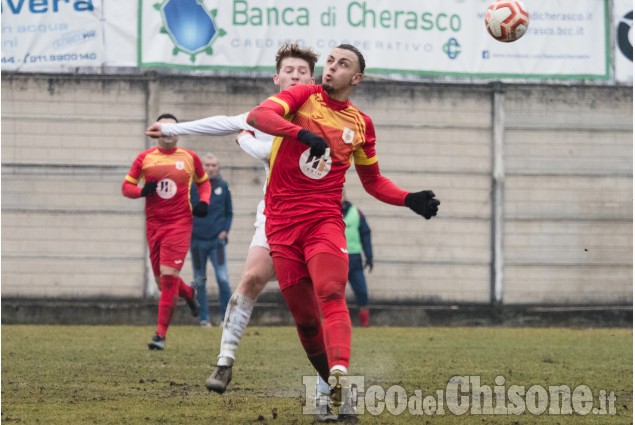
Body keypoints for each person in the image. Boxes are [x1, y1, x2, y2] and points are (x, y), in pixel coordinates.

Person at [245, 44, 440, 408]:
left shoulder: (361, 124)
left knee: (332, 292)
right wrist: (301, 134)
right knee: (305, 322)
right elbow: (258, 117)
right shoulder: (302, 95)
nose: (331, 68)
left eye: (342, 64)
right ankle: (333, 390)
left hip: (323, 221)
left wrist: (409, 198)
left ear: (357, 78)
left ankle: (339, 369)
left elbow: (373, 181)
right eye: (330, 61)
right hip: (281, 226)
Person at [145, 44, 335, 411]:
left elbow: (269, 152)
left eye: (301, 72)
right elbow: (224, 121)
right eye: (289, 70)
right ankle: (224, 362)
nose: (295, 76)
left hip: (314, 220)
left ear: (310, 79)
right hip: (274, 217)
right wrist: (174, 128)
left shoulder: (321, 115)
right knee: (249, 280)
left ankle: (328, 386)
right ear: (276, 77)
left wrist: (245, 141)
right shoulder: (266, 112)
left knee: (318, 305)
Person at [123, 113, 211, 350]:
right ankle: (189, 293)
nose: (170, 133)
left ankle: (160, 335)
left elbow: (204, 182)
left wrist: (204, 201)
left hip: (180, 224)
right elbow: (126, 187)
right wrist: (142, 191)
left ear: (179, 132)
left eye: (174, 129)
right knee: (163, 283)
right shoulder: (145, 159)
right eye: (165, 129)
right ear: (157, 131)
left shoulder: (190, 158)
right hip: (154, 226)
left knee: (169, 278)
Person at [190, 153, 233, 327]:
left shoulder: (223, 186)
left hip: (217, 243)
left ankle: (226, 318)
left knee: (223, 279)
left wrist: (225, 231)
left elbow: (229, 212)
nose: (210, 168)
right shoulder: (193, 187)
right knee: (200, 280)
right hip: (197, 242)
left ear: (218, 168)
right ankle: (204, 319)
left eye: (214, 165)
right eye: (207, 165)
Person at [342, 195, 373, 327]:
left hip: (354, 259)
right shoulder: (328, 212)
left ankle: (364, 322)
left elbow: (365, 235)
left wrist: (369, 256)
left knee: (362, 292)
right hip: (335, 259)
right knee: (332, 293)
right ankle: (333, 323)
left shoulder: (356, 213)